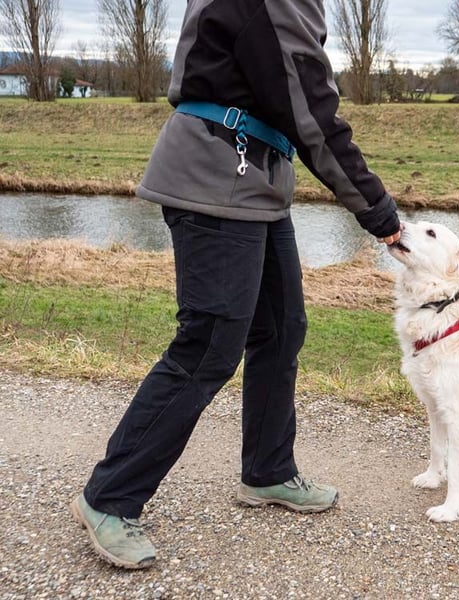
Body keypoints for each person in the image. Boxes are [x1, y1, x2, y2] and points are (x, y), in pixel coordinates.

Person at [70, 0, 402, 570]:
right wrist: (379, 212)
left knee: (280, 329)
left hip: (254, 183)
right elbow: (310, 112)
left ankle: (267, 471)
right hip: (214, 176)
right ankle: (109, 497)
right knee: (207, 347)